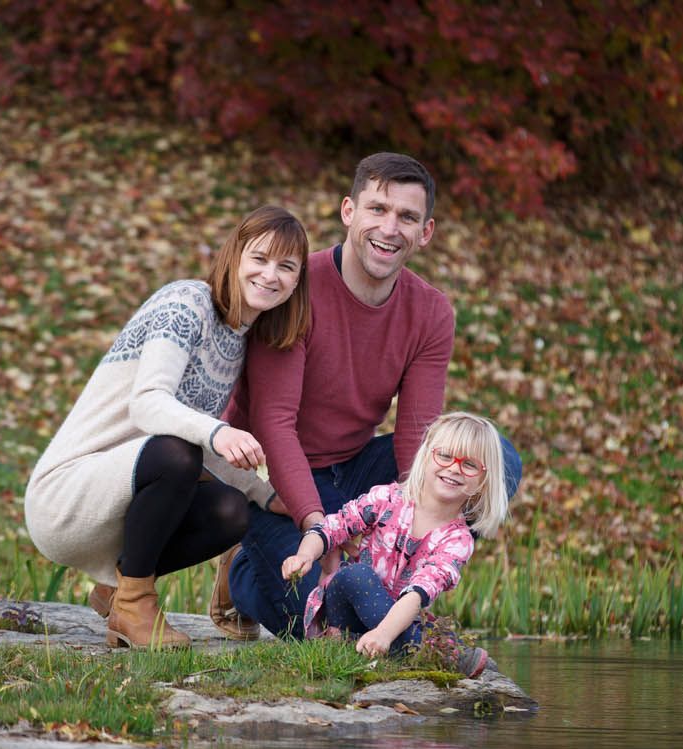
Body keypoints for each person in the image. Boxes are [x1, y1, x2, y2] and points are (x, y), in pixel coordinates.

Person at [213, 152, 522, 639]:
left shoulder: (431, 312)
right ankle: (242, 576)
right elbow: (274, 424)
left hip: (355, 467)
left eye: (407, 216)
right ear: (348, 212)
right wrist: (320, 530)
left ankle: (396, 579)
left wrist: (403, 522)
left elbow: (417, 435)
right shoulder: (295, 288)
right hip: (273, 476)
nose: (390, 227)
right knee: (313, 613)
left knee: (497, 460)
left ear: (426, 232)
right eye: (377, 209)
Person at [24, 206, 308, 649]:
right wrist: (219, 431)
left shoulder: (237, 339)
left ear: (297, 281)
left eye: (286, 267)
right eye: (260, 258)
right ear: (234, 255)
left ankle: (118, 592)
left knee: (230, 512)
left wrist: (266, 496)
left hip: (120, 506)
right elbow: (148, 406)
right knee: (178, 452)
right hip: (67, 497)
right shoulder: (186, 303)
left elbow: (196, 443)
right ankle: (136, 605)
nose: (271, 275)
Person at [279, 412, 508, 677]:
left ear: (483, 481)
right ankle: (439, 654)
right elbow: (333, 527)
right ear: (426, 455)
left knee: (419, 620)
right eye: (445, 456)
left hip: (394, 623)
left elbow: (419, 592)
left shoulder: (457, 541)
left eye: (469, 464)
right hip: (343, 610)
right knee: (356, 575)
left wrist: (385, 634)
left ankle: (411, 648)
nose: (454, 468)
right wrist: (305, 555)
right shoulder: (387, 498)